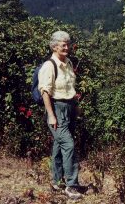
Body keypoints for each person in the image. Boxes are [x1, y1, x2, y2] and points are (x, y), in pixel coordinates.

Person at [38, 31, 82, 199]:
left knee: (59, 145)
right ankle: (71, 186)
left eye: (67, 44)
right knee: (68, 145)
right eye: (63, 45)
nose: (67, 47)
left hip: (69, 108)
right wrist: (51, 115)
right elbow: (45, 92)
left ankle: (57, 181)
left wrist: (76, 107)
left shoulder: (69, 63)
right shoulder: (49, 66)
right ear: (54, 46)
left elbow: (70, 88)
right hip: (56, 108)